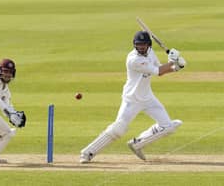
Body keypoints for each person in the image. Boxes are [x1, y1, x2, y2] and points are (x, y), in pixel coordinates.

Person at [80, 31, 186, 163]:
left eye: (143, 45)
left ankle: (137, 144)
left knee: (168, 127)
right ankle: (87, 153)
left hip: (147, 97)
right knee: (118, 129)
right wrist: (172, 61)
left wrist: (176, 67)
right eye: (138, 45)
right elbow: (158, 71)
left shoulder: (151, 52)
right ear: (134, 45)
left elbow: (159, 69)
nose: (141, 47)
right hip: (132, 99)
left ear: (149, 45)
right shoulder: (134, 60)